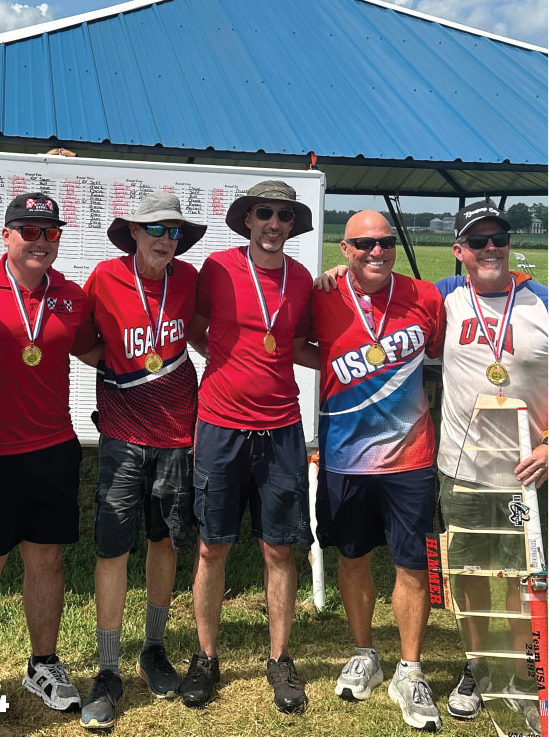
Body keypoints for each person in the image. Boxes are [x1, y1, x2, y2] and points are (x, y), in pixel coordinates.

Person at [0, 193, 96, 725]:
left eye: (50, 232)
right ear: (6, 235)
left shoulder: (71, 298)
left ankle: (42, 663)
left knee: (47, 560)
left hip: (53, 448)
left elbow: (101, 351)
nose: (39, 241)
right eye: (28, 230)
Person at [310, 210, 445, 732]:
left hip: (411, 457)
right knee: (353, 555)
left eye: (385, 242)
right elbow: (301, 344)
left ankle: (410, 669)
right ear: (344, 249)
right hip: (345, 456)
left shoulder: (425, 296)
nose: (377, 252)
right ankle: (364, 651)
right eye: (364, 243)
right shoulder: (322, 295)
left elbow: (437, 355)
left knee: (413, 562)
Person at [182, 180, 314, 715]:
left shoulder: (303, 278)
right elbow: (193, 327)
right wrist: (224, 361)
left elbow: (301, 343)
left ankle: (280, 659)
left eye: (284, 216)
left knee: (279, 547)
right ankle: (206, 657)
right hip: (219, 424)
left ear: (291, 225)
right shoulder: (216, 268)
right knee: (213, 545)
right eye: (264, 213)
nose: (274, 224)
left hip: (281, 426)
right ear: (247, 220)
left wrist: (364, 361)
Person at [78, 192, 205, 730]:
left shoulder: (191, 278)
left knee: (165, 540)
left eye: (173, 231)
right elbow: (84, 343)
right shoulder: (104, 278)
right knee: (113, 548)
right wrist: (124, 376)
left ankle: (153, 648)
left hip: (178, 434)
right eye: (153, 228)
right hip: (124, 434)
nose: (163, 239)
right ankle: (108, 671)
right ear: (132, 231)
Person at [436, 201, 547, 734]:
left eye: (498, 238)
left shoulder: (541, 300)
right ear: (459, 252)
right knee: (470, 574)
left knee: (528, 579)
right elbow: (378, 288)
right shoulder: (445, 297)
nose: (489, 249)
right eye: (476, 241)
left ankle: (529, 676)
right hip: (462, 471)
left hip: (530, 474)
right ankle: (478, 666)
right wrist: (341, 272)